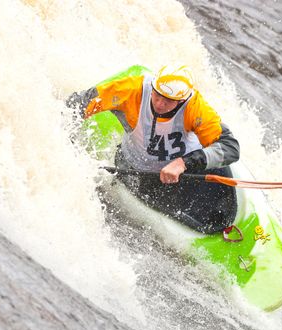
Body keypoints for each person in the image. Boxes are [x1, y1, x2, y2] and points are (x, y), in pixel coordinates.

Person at [66, 65, 240, 233]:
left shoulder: (195, 107)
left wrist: (183, 163)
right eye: (157, 95)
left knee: (219, 213)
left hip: (185, 173)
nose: (160, 103)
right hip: (139, 172)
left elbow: (230, 147)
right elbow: (75, 105)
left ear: (181, 100)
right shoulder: (131, 89)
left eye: (168, 100)